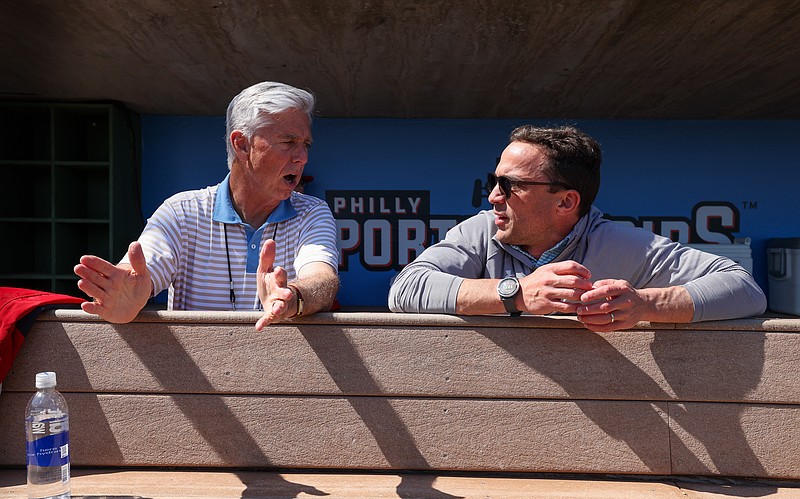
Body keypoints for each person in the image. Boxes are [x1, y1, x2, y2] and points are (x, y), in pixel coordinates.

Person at [388, 125, 766, 331]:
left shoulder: (621, 243)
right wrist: (516, 294)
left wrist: (644, 304)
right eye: (494, 181)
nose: (493, 197)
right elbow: (405, 289)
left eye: (511, 185)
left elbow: (744, 288)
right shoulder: (481, 230)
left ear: (566, 202)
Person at [74, 81, 340, 331]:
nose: (302, 157)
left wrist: (292, 298)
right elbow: (140, 276)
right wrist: (130, 293)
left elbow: (322, 280)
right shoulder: (181, 212)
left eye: (305, 144)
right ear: (242, 144)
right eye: (288, 142)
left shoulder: (312, 213)